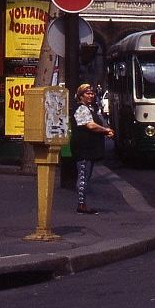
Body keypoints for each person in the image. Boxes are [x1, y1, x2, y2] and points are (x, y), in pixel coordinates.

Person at [70, 83, 113, 214]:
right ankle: (81, 205)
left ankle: (82, 203)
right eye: (87, 94)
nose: (91, 96)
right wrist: (106, 130)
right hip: (84, 148)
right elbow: (90, 126)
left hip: (88, 148)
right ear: (80, 96)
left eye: (92, 94)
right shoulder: (81, 108)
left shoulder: (88, 108)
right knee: (83, 175)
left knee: (86, 175)